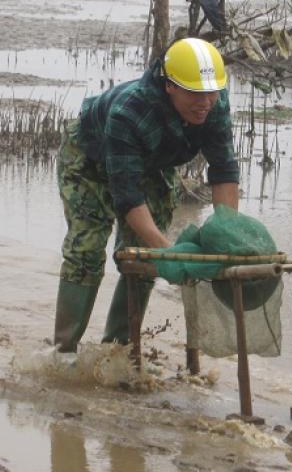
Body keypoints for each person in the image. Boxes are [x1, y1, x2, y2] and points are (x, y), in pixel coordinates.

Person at [54, 38, 240, 353]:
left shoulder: (213, 104)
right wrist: (168, 251)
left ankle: (119, 349)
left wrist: (227, 232)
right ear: (170, 86)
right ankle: (63, 350)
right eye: (196, 93)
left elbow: (223, 170)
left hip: (154, 163)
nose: (205, 102)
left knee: (142, 254)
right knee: (86, 251)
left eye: (211, 92)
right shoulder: (130, 110)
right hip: (90, 160)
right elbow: (126, 194)